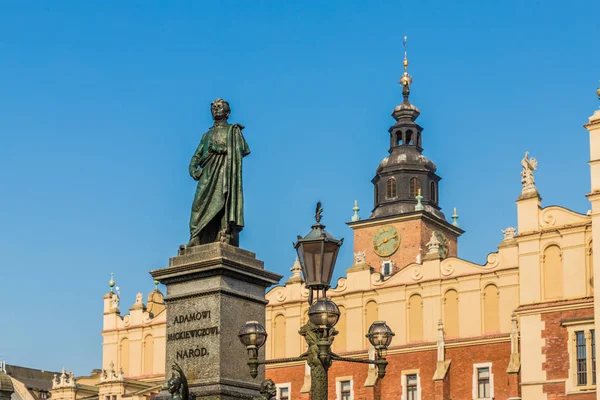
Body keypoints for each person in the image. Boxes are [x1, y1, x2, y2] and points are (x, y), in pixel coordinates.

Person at [188, 98, 250, 247]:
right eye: (214, 107)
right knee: (198, 204)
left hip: (225, 172)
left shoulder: (232, 131)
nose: (216, 109)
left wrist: (219, 149)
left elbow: (239, 151)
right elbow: (197, 155)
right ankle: (196, 236)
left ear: (227, 113)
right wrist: (192, 169)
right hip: (207, 174)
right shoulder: (206, 135)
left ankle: (224, 233)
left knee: (224, 201)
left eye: (220, 107)